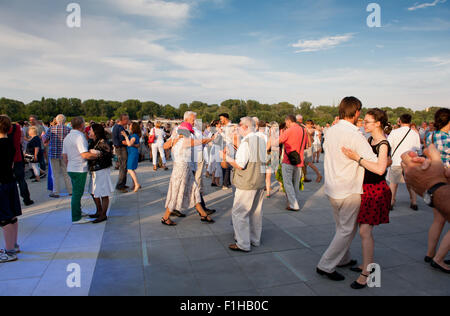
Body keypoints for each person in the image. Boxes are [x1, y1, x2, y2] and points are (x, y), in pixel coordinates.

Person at [316, 97, 379, 282]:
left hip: (333, 186)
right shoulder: (354, 135)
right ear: (357, 111)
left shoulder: (331, 130)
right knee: (346, 230)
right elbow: (373, 162)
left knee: (341, 227)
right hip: (349, 187)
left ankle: (343, 258)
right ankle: (325, 265)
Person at [341, 108, 392, 289]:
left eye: (368, 121)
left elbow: (380, 169)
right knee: (364, 230)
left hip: (375, 191)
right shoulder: (371, 140)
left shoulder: (383, 143)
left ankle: (367, 273)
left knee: (364, 231)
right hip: (367, 189)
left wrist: (357, 157)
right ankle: (366, 264)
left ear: (378, 123)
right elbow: (385, 162)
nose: (364, 124)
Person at [160, 112, 215, 226]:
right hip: (181, 166)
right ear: (186, 120)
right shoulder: (183, 131)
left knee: (193, 189)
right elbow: (187, 143)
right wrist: (208, 140)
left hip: (187, 165)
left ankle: (203, 214)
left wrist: (175, 140)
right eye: (193, 120)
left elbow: (169, 145)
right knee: (177, 191)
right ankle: (165, 217)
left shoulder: (182, 131)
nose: (194, 122)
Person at [223, 117, 267, 252]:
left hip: (247, 183)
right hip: (259, 181)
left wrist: (226, 157)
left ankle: (243, 243)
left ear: (246, 127)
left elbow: (240, 165)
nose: (238, 128)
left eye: (239, 126)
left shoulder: (246, 142)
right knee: (255, 213)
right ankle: (254, 239)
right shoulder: (261, 140)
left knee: (239, 213)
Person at [423, 108, 449, 273]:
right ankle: (439, 259)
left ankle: (430, 254)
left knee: (438, 220)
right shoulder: (448, 139)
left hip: (433, 181)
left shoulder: (429, 136)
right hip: (447, 180)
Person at [63, 117, 100, 225]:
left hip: (71, 168)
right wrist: (97, 155)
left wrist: (69, 165)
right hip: (79, 168)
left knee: (76, 192)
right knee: (77, 194)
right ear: (81, 125)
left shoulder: (67, 137)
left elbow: (64, 156)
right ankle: (76, 217)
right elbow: (84, 154)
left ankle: (78, 212)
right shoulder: (79, 136)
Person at [387, 114, 421, 211]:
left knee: (393, 183)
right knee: (410, 183)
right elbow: (417, 149)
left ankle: (391, 202)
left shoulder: (394, 132)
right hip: (410, 162)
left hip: (396, 161)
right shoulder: (415, 133)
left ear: (400, 121)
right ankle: (413, 202)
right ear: (410, 121)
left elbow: (388, 145)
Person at [0, 115, 22, 263]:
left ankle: (9, 251)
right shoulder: (10, 142)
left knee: (4, 218)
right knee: (12, 216)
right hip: (10, 181)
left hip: (1, 183)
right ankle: (13, 245)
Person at [279, 115, 308, 212]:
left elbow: (279, 141)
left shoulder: (289, 130)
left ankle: (293, 204)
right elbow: (307, 145)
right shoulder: (304, 130)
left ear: (288, 121)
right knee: (296, 183)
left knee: (288, 183)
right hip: (299, 160)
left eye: (286, 122)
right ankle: (294, 202)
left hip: (288, 160)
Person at [88, 124, 114, 224]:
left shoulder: (102, 142)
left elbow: (109, 153)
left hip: (101, 170)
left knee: (103, 193)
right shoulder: (94, 141)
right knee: (93, 191)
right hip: (95, 170)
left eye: (91, 130)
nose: (89, 132)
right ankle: (99, 211)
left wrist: (97, 154)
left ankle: (103, 214)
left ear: (96, 132)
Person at [42, 114, 72, 198]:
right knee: (66, 173)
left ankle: (56, 192)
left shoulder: (51, 129)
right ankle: (70, 190)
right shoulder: (68, 129)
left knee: (55, 174)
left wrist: (42, 136)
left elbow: (45, 140)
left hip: (53, 153)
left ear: (56, 120)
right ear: (64, 121)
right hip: (65, 153)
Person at [7, 119, 33, 206]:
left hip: (7, 160)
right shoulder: (16, 128)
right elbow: (20, 141)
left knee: (8, 183)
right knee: (21, 180)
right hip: (17, 157)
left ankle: (11, 202)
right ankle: (26, 199)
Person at [122, 122, 141, 193]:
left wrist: (125, 136)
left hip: (132, 153)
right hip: (132, 153)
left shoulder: (134, 135)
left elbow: (129, 144)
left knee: (130, 169)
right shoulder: (133, 135)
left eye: (130, 125)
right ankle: (134, 184)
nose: (129, 126)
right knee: (132, 169)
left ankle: (136, 184)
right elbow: (136, 144)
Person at [113, 114, 130, 193]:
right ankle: (120, 185)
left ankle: (122, 184)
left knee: (123, 167)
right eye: (127, 120)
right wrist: (131, 144)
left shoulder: (117, 126)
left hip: (119, 148)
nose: (128, 121)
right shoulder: (120, 128)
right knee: (123, 167)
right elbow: (123, 141)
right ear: (123, 120)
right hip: (121, 149)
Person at [219, 113, 235, 190]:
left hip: (229, 147)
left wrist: (221, 132)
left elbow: (230, 139)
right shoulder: (224, 127)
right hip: (223, 147)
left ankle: (225, 183)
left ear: (225, 118)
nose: (220, 120)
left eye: (221, 119)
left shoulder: (231, 126)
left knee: (227, 165)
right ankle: (227, 182)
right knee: (223, 165)